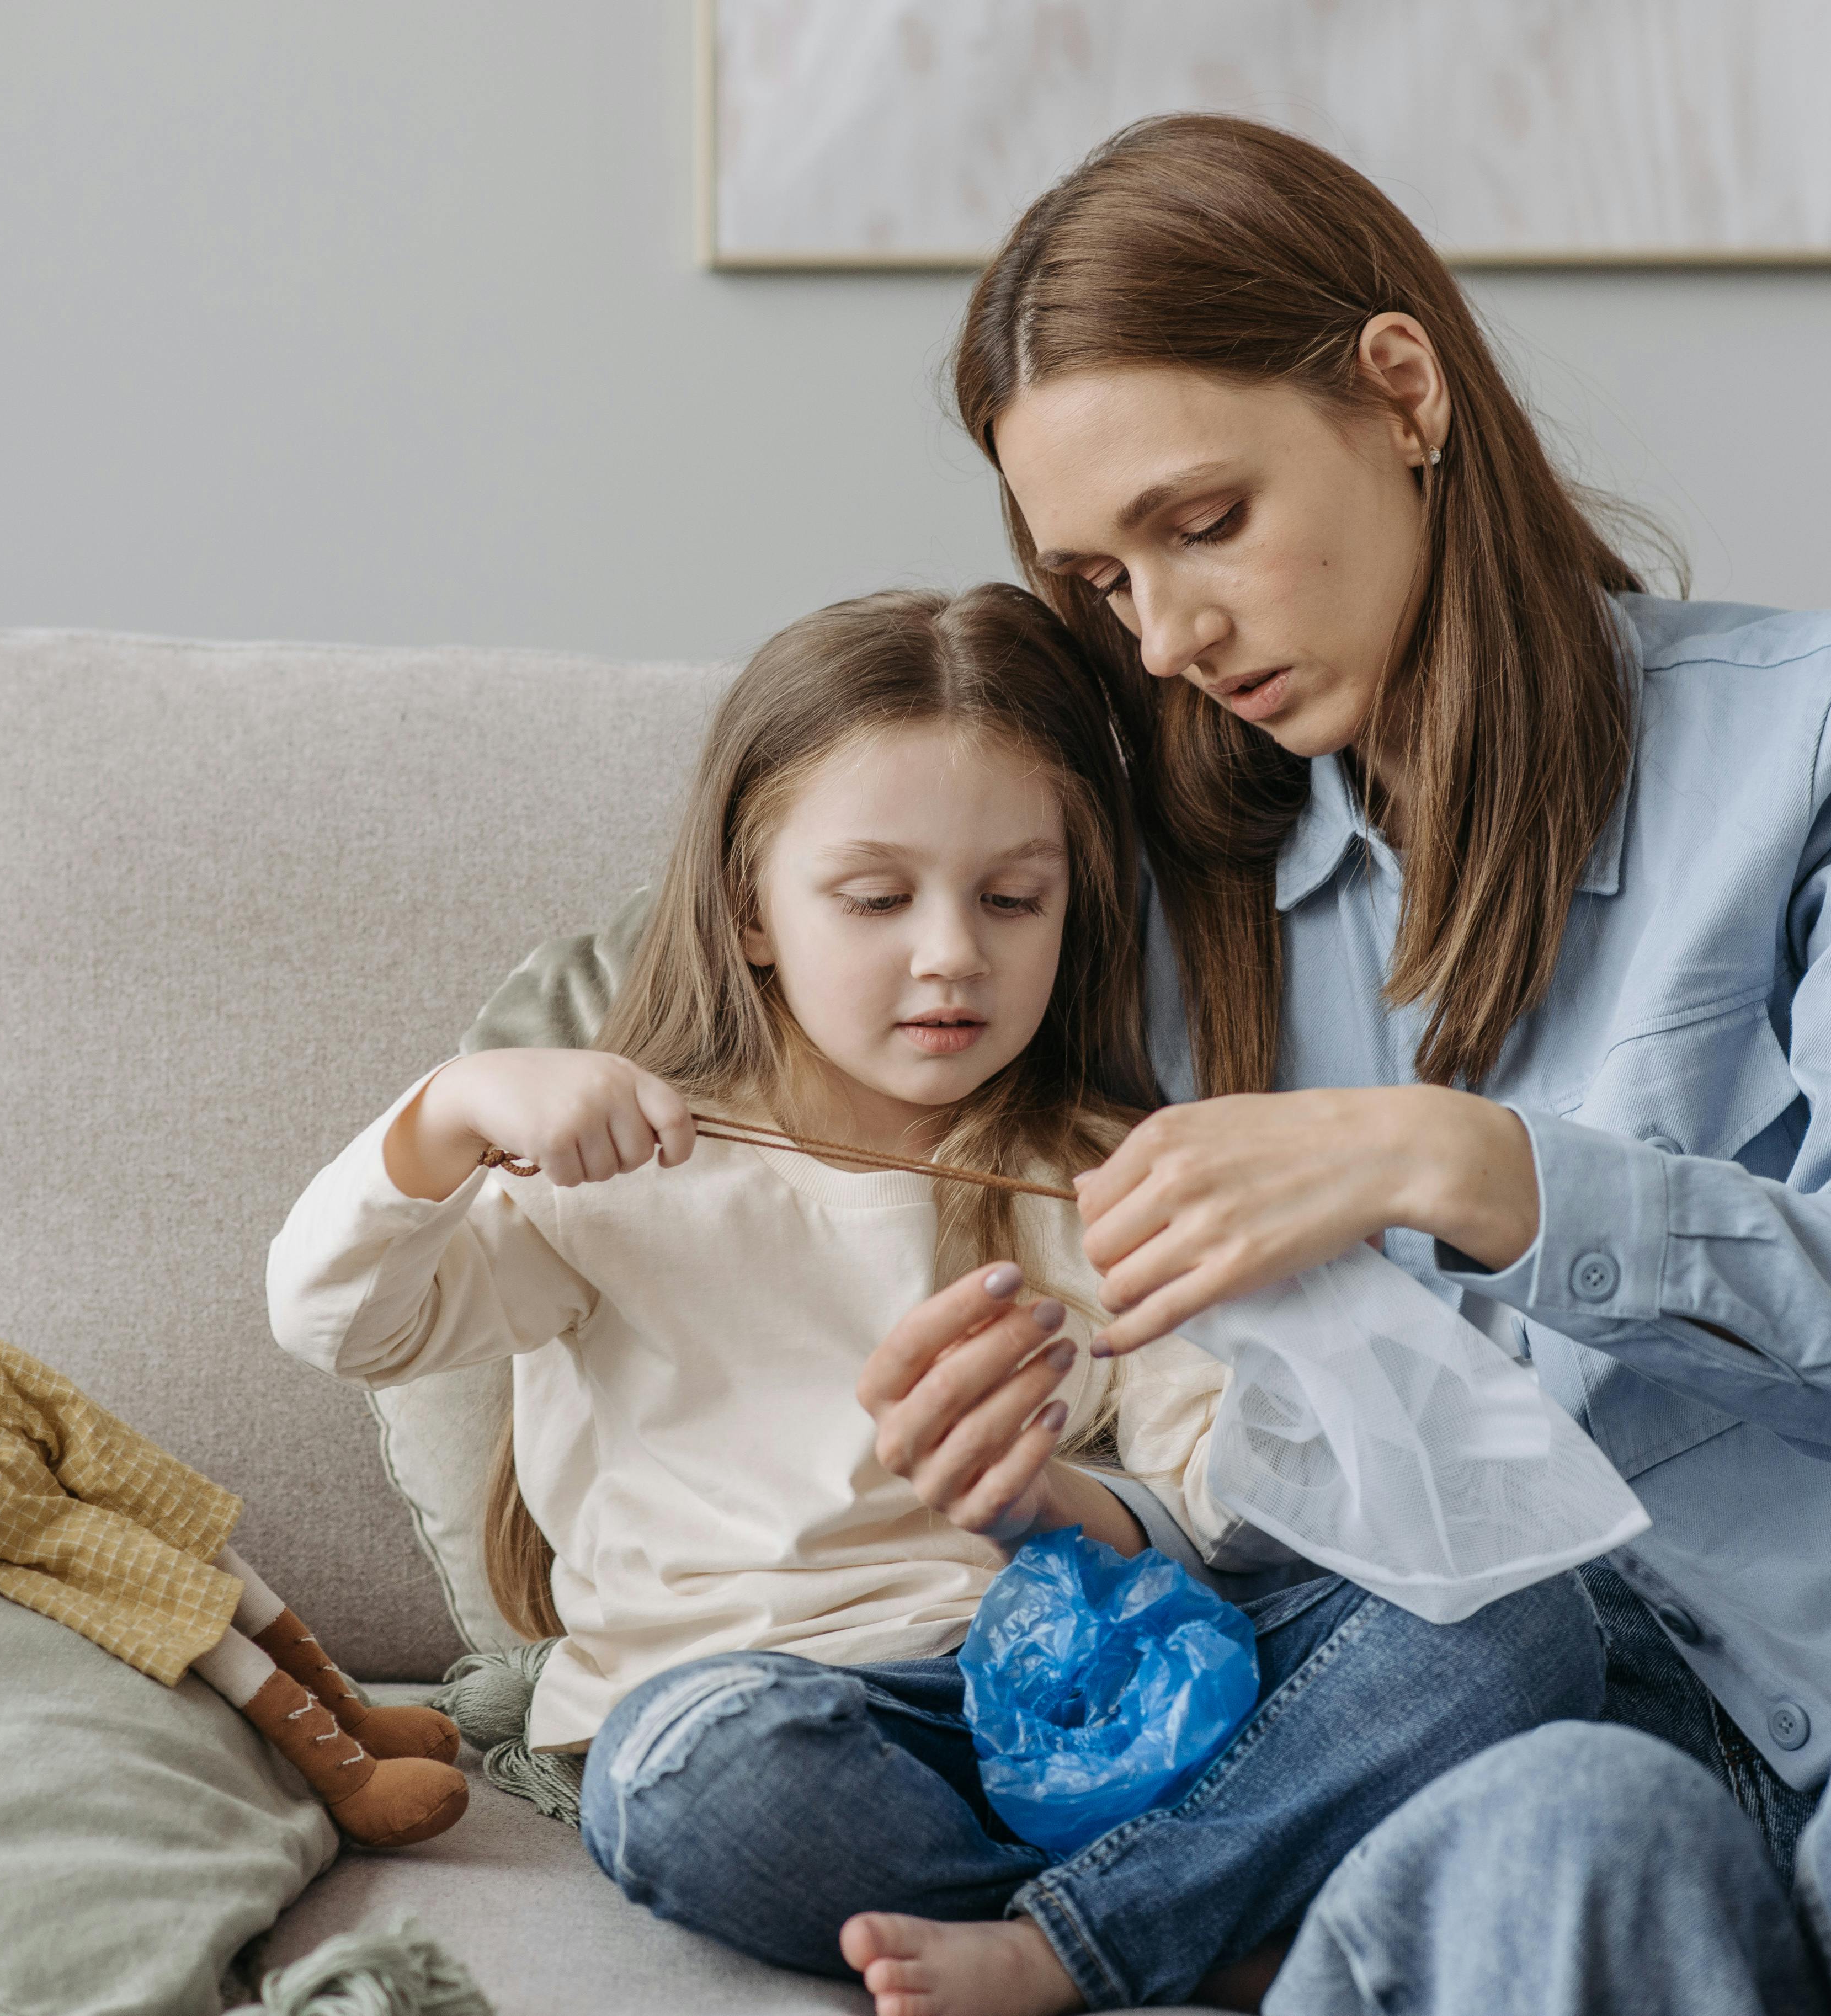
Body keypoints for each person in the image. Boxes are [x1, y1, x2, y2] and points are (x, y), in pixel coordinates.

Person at [481, 115, 1831, 2016]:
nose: (1174, 635)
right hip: (1534, 1769)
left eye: (1205, 524)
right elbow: (1249, 1503)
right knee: (1557, 1817)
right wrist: (1053, 1492)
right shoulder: (1144, 928)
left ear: (1399, 390)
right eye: (1104, 583)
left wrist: (1469, 1165)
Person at [269, 585, 1601, 2014]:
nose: (952, 953)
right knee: (692, 1777)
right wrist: (447, 1117)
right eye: (876, 899)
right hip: (787, 1716)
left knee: (1531, 1614)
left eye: (1011, 899)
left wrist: (1046, 1500)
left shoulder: (1094, 1177)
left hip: (1083, 1689)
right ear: (748, 911)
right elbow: (348, 1323)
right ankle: (1197, 1915)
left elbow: (1219, 1496)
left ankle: (1077, 1943)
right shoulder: (622, 1160)